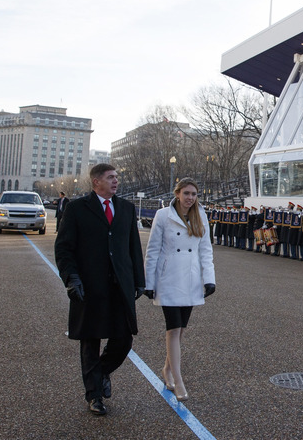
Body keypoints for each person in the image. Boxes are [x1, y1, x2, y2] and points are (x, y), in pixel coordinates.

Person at [54, 164, 145, 416]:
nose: (116, 181)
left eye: (117, 177)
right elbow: (63, 248)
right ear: (96, 182)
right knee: (90, 341)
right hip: (89, 286)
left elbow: (133, 247)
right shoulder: (76, 209)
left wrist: (139, 280)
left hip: (119, 287)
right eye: (111, 177)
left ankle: (101, 371)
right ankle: (94, 395)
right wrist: (71, 278)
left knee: (123, 339)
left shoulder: (126, 208)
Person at [143, 178, 216, 402]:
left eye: (194, 194)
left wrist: (209, 279)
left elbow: (205, 249)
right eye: (186, 193)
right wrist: (149, 282)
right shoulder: (163, 216)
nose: (190, 198)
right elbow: (153, 250)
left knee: (182, 329)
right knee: (173, 329)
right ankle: (178, 379)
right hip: (169, 278)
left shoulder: (200, 215)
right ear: (177, 194)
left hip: (191, 279)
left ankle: (167, 369)